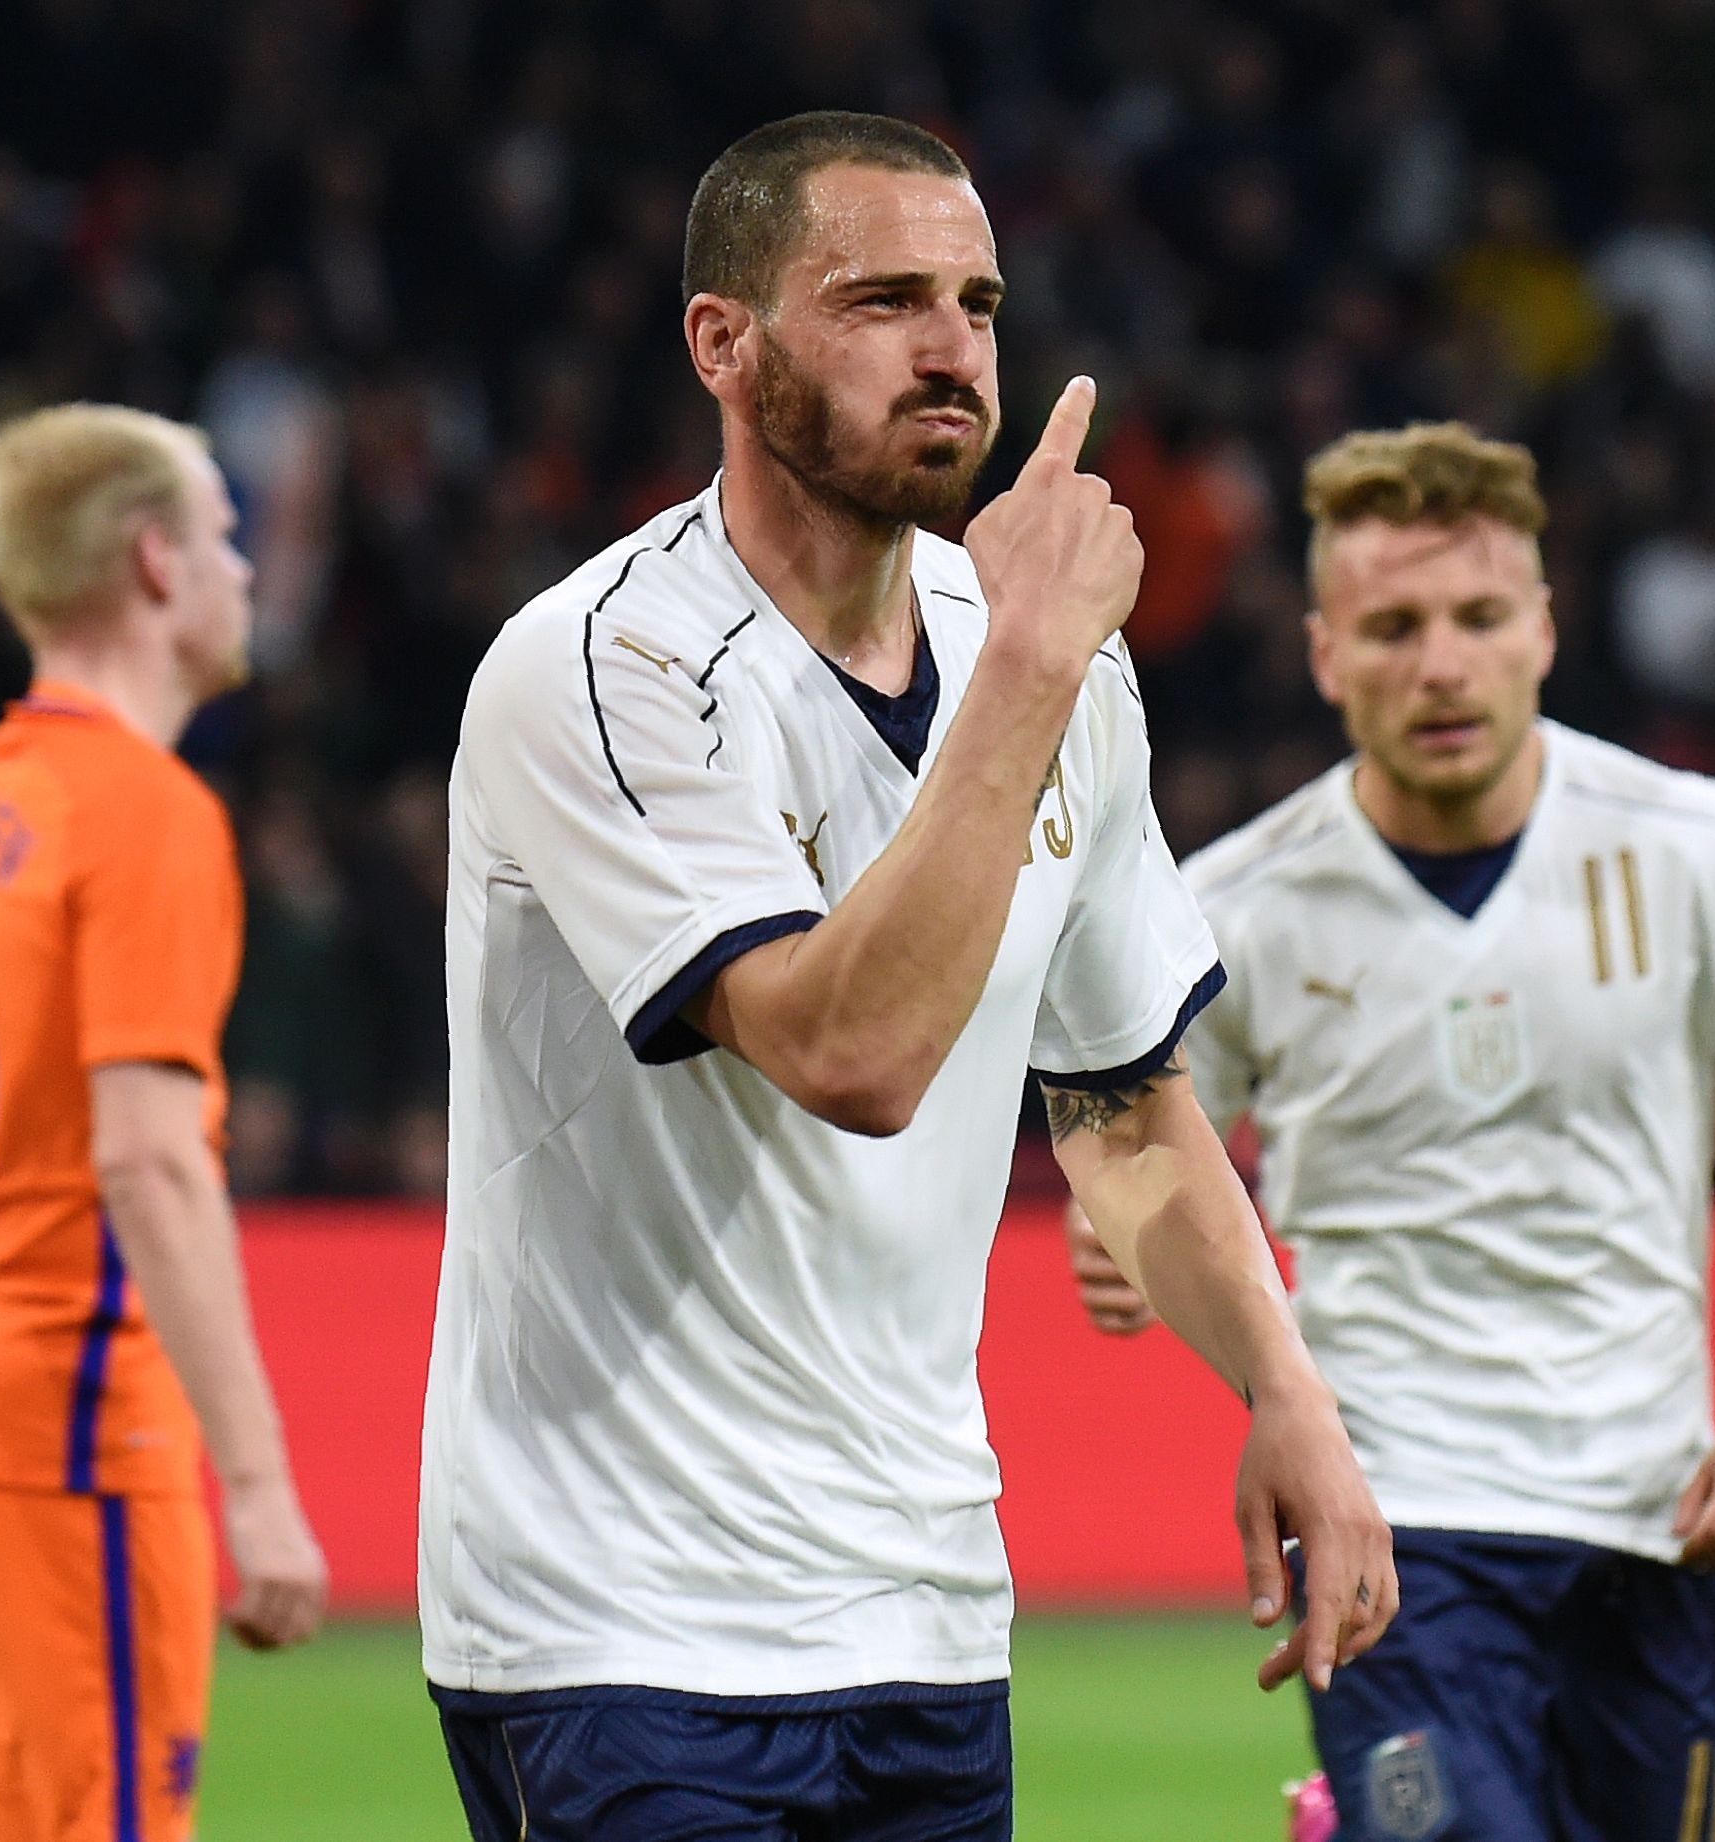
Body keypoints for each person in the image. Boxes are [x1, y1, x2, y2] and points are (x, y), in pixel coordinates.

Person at [420, 109, 1395, 1841]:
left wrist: (1288, 1395)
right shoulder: (606, 666)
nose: (952, 349)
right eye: (880, 300)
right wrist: (1026, 663)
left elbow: (1120, 1096)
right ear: (724, 344)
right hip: (622, 1622)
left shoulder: (1054, 673)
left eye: (980, 300)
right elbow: (848, 1050)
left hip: (926, 1614)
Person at [1064, 422, 1715, 1841]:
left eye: (1476, 617)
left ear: (1543, 632)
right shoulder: (1236, 903)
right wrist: (1121, 1226)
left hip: (1652, 1512)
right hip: (1392, 1514)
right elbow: (1137, 1136)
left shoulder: (1711, 849)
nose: (1438, 663)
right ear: (1326, 654)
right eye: (1391, 626)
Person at [0, 402, 328, 1842]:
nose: (243, 569)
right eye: (224, 534)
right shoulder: (144, 811)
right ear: (152, 562)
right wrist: (254, 1481)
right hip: (61, 1412)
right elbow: (144, 1161)